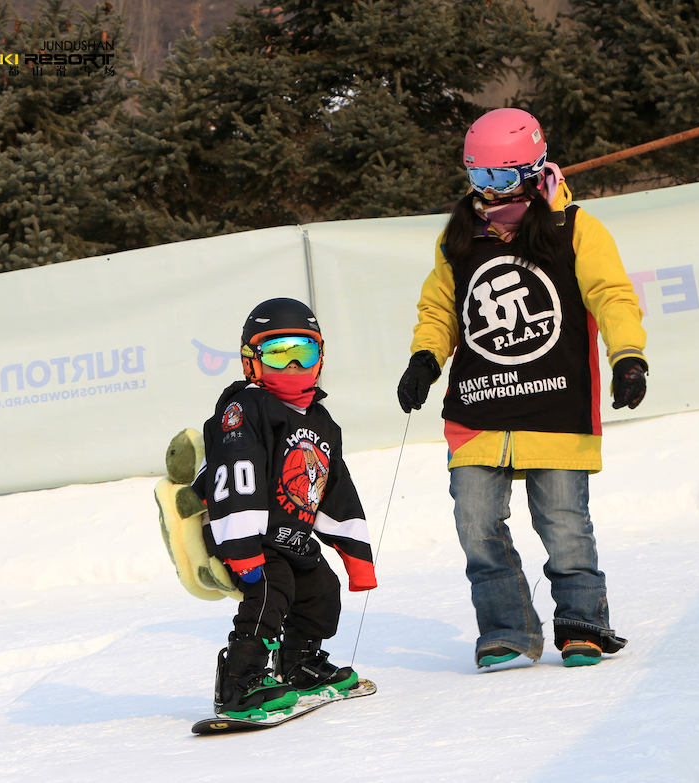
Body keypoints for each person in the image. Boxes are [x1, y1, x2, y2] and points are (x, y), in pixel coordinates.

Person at [397, 108, 648, 669]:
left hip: (555, 406)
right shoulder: (459, 237)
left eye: (501, 179)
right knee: (475, 525)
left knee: (564, 527)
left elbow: (612, 295)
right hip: (480, 409)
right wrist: (424, 358)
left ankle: (582, 624)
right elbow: (440, 309)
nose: (488, 193)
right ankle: (508, 630)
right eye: (477, 178)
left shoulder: (574, 229)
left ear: (534, 170)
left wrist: (628, 357)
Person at [192, 297, 377, 715]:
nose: (292, 366)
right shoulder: (246, 408)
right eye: (278, 354)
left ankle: (299, 665)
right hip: (239, 530)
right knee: (271, 590)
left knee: (321, 590)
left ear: (320, 356)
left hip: (287, 535)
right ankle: (239, 683)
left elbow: (334, 489)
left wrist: (356, 555)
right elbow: (236, 475)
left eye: (303, 352)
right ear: (251, 361)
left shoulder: (322, 422)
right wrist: (241, 547)